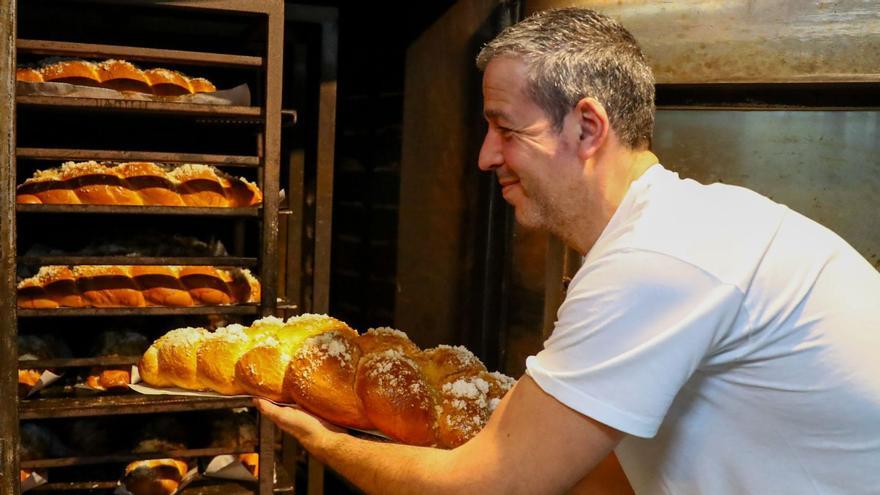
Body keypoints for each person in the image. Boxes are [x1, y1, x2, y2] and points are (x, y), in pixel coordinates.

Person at [257, 7, 880, 494]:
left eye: (506, 128)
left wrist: (327, 439)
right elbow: (613, 478)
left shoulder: (659, 260)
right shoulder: (676, 231)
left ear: (587, 127)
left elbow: (494, 485)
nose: (484, 156)